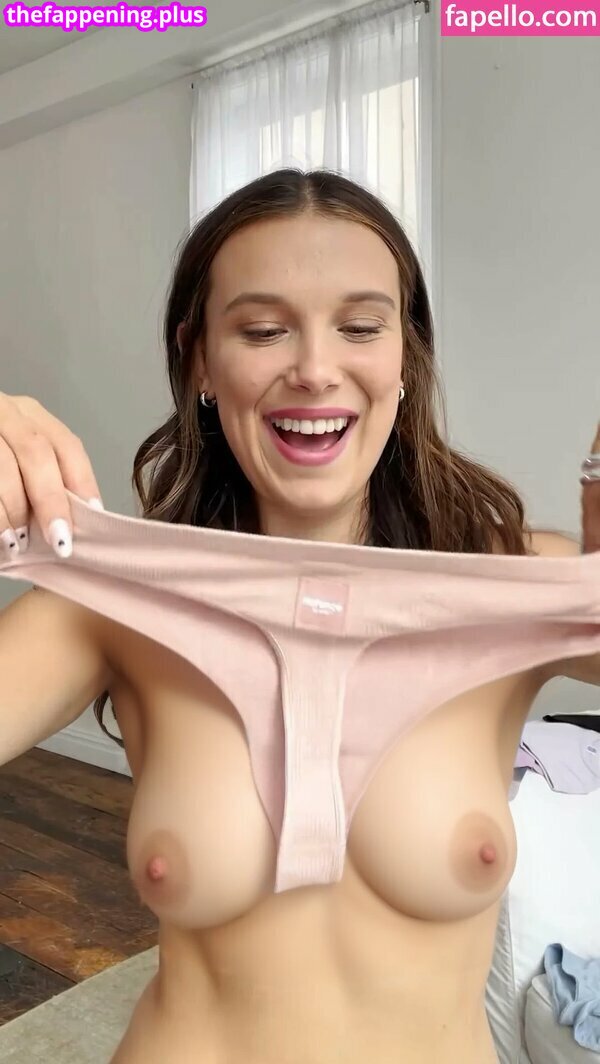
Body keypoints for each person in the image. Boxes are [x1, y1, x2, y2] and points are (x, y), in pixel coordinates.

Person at [0, 169, 599, 1064]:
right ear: (200, 360)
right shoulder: (115, 607)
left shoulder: (517, 583)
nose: (316, 369)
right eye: (262, 330)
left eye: (360, 327)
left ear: (407, 357)